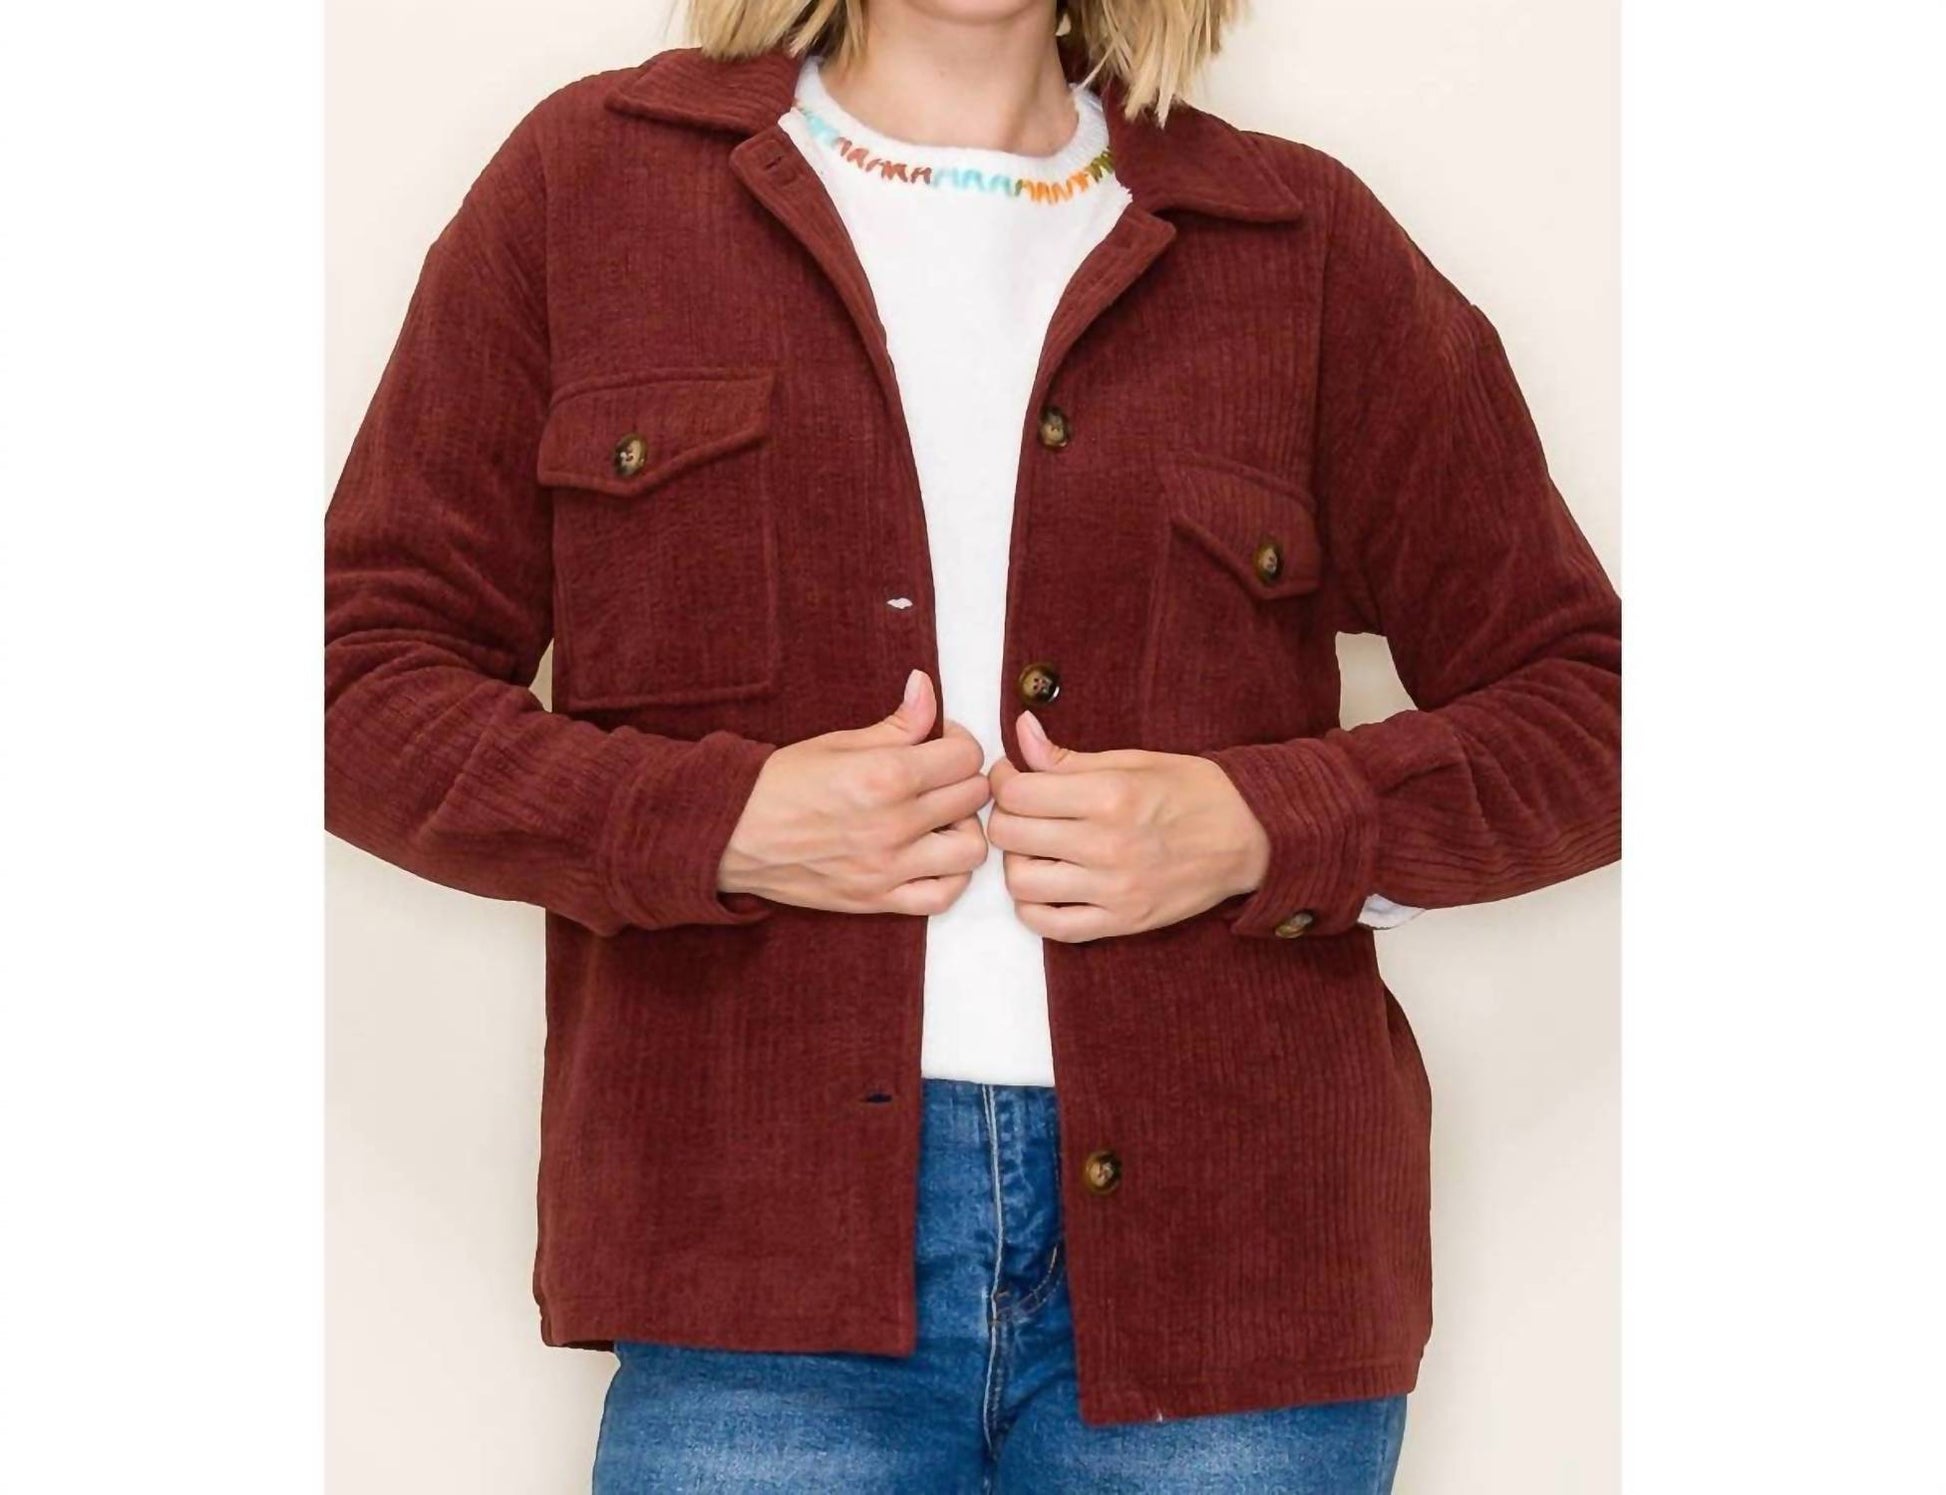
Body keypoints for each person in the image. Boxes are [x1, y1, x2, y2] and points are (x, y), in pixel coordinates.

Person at [324, 0, 1621, 1486]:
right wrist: (713, 820)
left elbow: (1593, 705)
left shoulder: (1299, 244)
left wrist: (1266, 824)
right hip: (754, 1257)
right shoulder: (594, 187)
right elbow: (353, 680)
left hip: (1236, 1272)